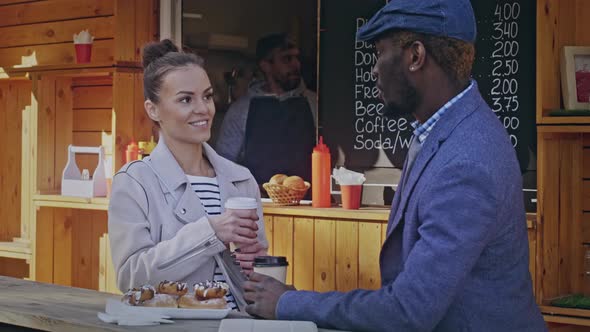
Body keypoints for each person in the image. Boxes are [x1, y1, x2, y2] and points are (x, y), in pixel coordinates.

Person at [242, 1, 547, 331]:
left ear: (415, 56)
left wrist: (288, 302)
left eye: (379, 53)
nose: (373, 69)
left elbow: (408, 310)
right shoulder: (446, 130)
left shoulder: (466, 162)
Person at [108, 40, 268, 309]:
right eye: (185, 99)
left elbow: (255, 275)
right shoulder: (135, 182)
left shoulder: (241, 180)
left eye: (206, 96)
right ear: (153, 109)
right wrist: (211, 232)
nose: (203, 109)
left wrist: (258, 264)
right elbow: (131, 277)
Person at [216, 33, 317, 186]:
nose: (296, 64)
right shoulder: (241, 110)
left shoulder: (314, 102)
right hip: (259, 202)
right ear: (266, 65)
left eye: (297, 58)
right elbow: (224, 163)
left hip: (309, 205)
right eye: (287, 59)